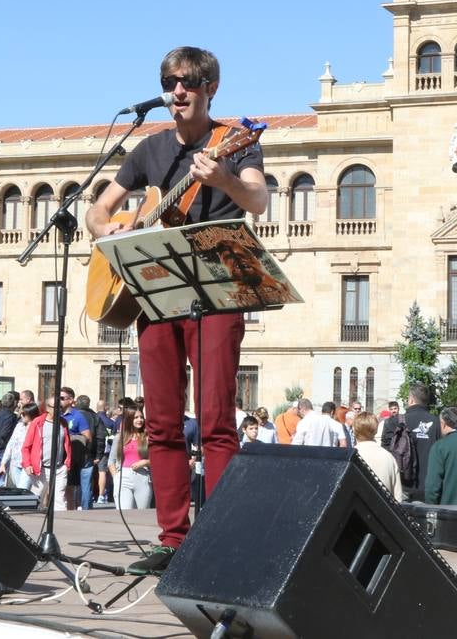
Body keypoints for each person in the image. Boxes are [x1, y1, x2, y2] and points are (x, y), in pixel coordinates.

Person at [85, 46, 267, 575]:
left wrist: (223, 180)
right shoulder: (149, 150)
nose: (177, 90)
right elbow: (99, 210)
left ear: (210, 88)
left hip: (218, 290)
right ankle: (171, 539)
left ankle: (223, 536)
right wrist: (112, 229)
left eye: (187, 81)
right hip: (156, 290)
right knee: (160, 423)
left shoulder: (235, 143)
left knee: (215, 421)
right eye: (169, 81)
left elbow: (257, 201)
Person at [382, 382, 440, 501]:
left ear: (411, 400)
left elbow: (386, 454)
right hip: (428, 488)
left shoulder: (394, 422)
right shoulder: (437, 423)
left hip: (402, 487)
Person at [22, 396, 71, 508]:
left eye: (61, 407)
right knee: (36, 500)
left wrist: (67, 463)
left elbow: (67, 445)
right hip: (41, 469)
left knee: (60, 501)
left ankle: (61, 523)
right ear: (48, 408)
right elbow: (26, 447)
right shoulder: (37, 423)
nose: (60, 410)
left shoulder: (63, 423)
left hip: (59, 468)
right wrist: (27, 464)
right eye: (56, 407)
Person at [352, 412, 402, 502]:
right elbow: (398, 498)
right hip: (383, 512)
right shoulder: (389, 457)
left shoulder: (349, 458)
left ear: (354, 429)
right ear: (376, 430)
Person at [108, 407, 152, 509]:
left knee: (143, 514)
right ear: (129, 419)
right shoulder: (119, 438)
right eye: (136, 417)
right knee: (124, 512)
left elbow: (158, 459)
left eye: (141, 417)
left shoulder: (148, 437)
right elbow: (111, 461)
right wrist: (116, 478)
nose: (139, 420)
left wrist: (145, 462)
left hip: (143, 477)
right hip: (123, 476)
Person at [424, 406, 457, 505]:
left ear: (443, 424)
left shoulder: (439, 447)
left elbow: (432, 487)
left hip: (448, 512)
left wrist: (431, 509)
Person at [57, 389, 92, 508]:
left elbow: (88, 437)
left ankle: (71, 513)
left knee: (69, 489)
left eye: (62, 398)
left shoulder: (77, 416)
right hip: (56, 457)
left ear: (71, 400)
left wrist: (69, 438)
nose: (59, 400)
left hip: (70, 459)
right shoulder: (55, 414)